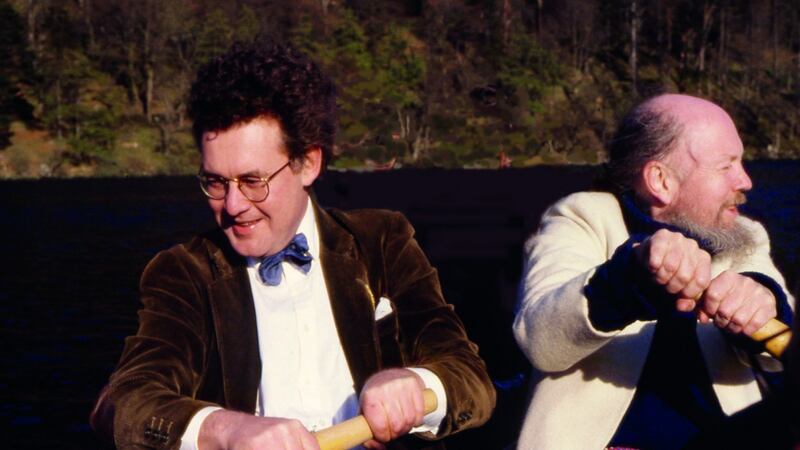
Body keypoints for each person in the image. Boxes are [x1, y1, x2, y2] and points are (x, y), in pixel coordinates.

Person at [90, 39, 495, 450]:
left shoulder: (383, 241)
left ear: (308, 163)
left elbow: (471, 380)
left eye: (253, 181)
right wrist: (226, 430)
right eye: (215, 182)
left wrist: (416, 383)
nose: (232, 205)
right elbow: (122, 403)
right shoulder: (183, 273)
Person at [512, 93, 793, 449]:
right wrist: (632, 279)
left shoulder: (743, 235)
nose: (745, 181)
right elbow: (539, 341)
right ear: (660, 180)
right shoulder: (581, 217)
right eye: (727, 166)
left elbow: (783, 351)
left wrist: (762, 300)